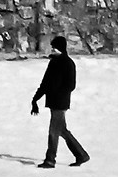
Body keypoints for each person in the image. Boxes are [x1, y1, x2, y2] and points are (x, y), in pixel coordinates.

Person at [31, 35, 90, 167]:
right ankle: (81, 155)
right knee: (61, 130)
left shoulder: (68, 63)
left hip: (61, 103)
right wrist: (35, 100)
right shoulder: (53, 63)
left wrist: (57, 92)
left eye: (54, 47)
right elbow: (45, 83)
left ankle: (50, 160)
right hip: (53, 102)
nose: (52, 49)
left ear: (60, 48)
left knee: (53, 131)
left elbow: (71, 85)